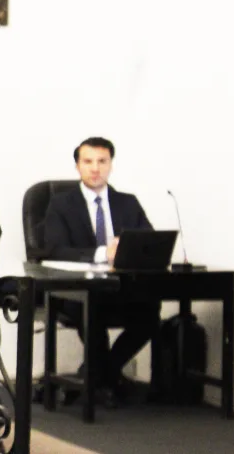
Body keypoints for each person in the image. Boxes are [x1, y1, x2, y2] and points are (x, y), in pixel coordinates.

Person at [43, 136, 159, 408]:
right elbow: (54, 249)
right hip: (75, 292)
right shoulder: (60, 204)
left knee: (150, 313)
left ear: (110, 165)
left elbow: (148, 242)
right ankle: (107, 379)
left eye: (102, 161)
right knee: (92, 311)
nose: (95, 168)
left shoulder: (127, 203)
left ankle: (97, 375)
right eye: (88, 161)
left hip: (120, 288)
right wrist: (102, 253)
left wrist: (129, 248)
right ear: (77, 166)